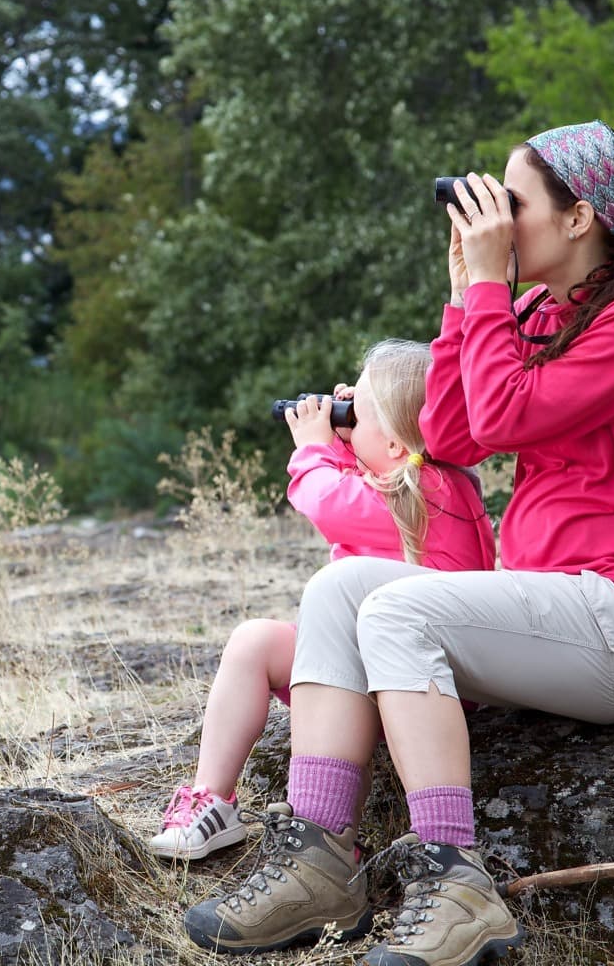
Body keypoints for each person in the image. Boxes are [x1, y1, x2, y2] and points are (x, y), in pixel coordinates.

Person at [182, 120, 614, 966]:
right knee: (339, 589)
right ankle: (321, 854)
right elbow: (452, 433)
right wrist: (461, 294)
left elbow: (504, 416)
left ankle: (454, 880)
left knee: (399, 610)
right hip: (564, 612)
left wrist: (484, 286)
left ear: (579, 218)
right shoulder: (546, 312)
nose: (496, 221)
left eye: (514, 203)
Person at [150, 339, 494, 861]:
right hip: (376, 670)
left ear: (399, 446)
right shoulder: (427, 482)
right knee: (253, 643)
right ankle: (210, 800)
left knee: (255, 642)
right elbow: (362, 481)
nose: (347, 418)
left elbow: (326, 499)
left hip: (415, 684)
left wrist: (314, 443)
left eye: (361, 412)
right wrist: (356, 429)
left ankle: (312, 832)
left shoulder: (426, 493)